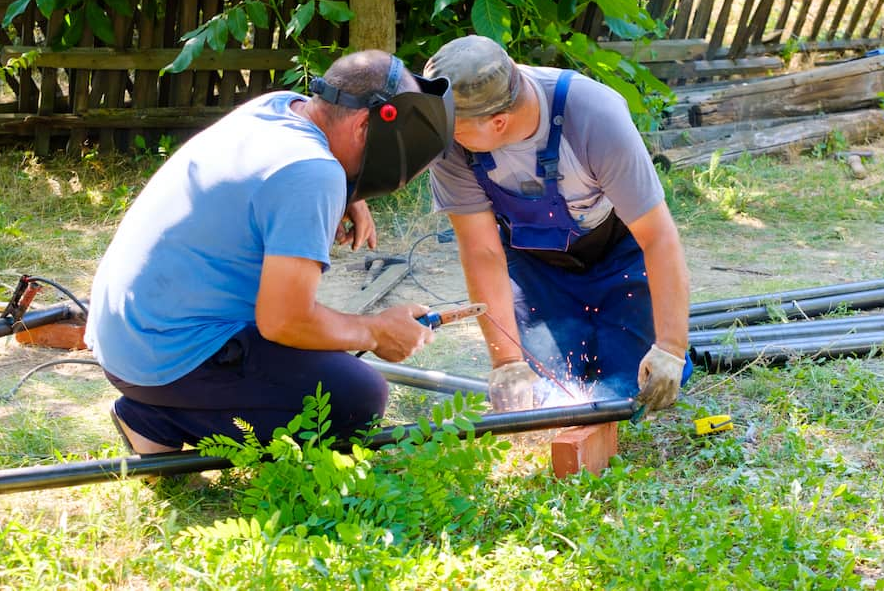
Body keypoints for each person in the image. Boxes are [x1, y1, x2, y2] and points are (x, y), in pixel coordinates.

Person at [86, 50, 454, 454]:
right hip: (163, 360)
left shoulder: (278, 107)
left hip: (125, 336)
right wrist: (377, 330)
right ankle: (155, 420)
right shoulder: (312, 172)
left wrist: (348, 193)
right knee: (355, 397)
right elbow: (284, 321)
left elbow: (280, 175)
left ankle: (163, 410)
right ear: (365, 125)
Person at [423, 35, 692, 413]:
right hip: (534, 269)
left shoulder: (595, 118)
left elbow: (658, 236)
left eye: (454, 130)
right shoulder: (451, 143)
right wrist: (507, 363)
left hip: (619, 257)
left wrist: (671, 348)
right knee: (546, 390)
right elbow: (481, 249)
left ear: (497, 121)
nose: (443, 138)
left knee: (629, 385)